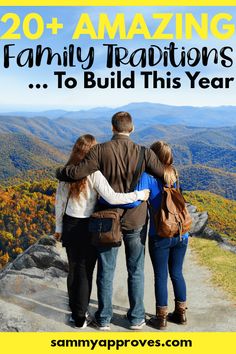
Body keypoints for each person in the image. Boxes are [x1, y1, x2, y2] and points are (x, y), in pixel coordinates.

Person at [56, 112, 164, 330]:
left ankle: (104, 318)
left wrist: (59, 171)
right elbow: (163, 173)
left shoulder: (99, 150)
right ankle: (136, 318)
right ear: (132, 129)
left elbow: (78, 172)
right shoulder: (145, 153)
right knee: (136, 269)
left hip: (107, 219)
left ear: (112, 128)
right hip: (136, 219)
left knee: (106, 269)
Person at [129, 141, 189, 330]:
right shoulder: (174, 174)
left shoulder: (148, 177)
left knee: (161, 275)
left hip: (160, 233)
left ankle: (161, 318)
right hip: (181, 233)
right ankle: (181, 314)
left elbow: (134, 200)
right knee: (177, 273)